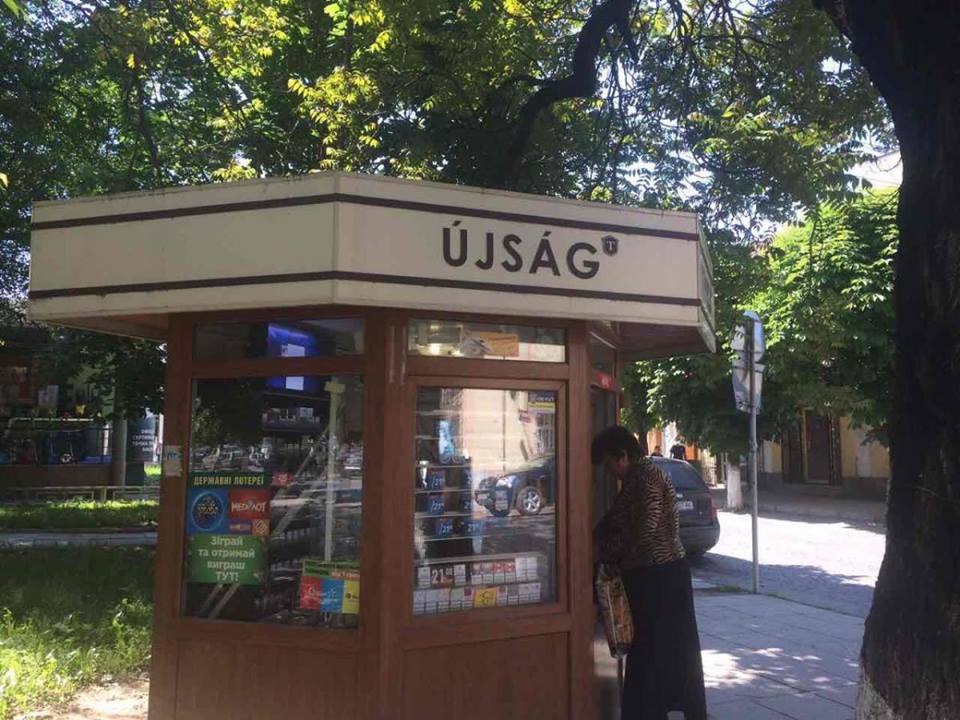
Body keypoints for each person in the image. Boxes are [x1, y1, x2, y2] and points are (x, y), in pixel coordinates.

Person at [592, 426, 707, 720]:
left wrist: (607, 553)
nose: (610, 473)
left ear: (622, 456)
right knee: (661, 652)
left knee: (655, 653)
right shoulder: (638, 476)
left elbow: (643, 530)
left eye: (609, 464)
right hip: (658, 575)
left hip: (659, 577)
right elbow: (617, 519)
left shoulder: (645, 477)